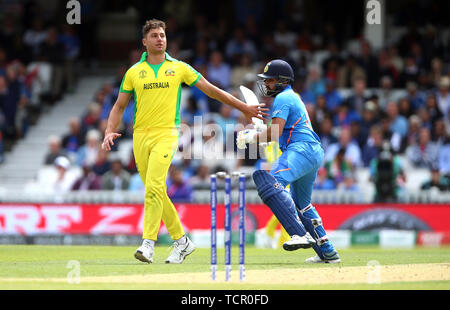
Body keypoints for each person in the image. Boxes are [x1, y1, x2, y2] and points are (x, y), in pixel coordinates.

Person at [102, 19, 267, 265]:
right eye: (155, 36)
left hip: (167, 133)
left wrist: (244, 107)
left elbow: (211, 90)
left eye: (163, 35)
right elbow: (119, 105)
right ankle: (182, 241)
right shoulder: (133, 72)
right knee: (154, 190)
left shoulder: (178, 67)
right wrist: (108, 131)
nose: (160, 39)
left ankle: (148, 243)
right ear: (144, 42)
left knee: (155, 186)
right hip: (140, 135)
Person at [237, 59, 340, 263]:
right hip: (311, 150)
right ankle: (327, 252)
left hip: (301, 149)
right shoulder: (290, 96)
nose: (266, 84)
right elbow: (276, 131)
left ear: (282, 80)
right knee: (303, 204)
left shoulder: (283, 97)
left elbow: (274, 133)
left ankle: (299, 233)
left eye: (270, 80)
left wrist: (250, 137)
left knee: (271, 182)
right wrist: (258, 132)